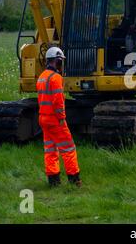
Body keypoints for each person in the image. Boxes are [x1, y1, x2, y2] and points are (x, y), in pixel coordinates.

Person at [36, 47, 81, 186]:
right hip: (55, 119)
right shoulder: (56, 78)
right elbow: (58, 101)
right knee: (68, 148)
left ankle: (53, 180)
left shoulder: (42, 77)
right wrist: (61, 118)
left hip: (43, 118)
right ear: (58, 61)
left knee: (50, 149)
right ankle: (74, 179)